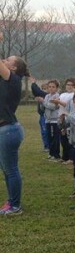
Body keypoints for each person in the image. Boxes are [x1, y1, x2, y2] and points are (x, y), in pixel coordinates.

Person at [0, 37, 28, 216]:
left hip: (8, 130)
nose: (4, 60)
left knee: (11, 169)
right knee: (6, 169)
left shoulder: (14, 79)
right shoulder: (5, 81)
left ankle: (15, 205)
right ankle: (11, 201)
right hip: (5, 130)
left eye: (8, 60)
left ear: (14, 68)